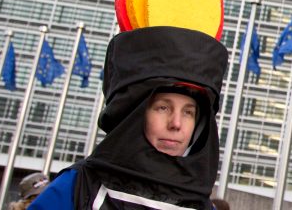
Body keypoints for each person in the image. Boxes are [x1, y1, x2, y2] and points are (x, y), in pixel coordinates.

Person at [30, 26, 228, 209]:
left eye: (188, 112)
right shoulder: (79, 186)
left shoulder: (202, 205)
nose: (176, 124)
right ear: (136, 113)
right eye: (163, 107)